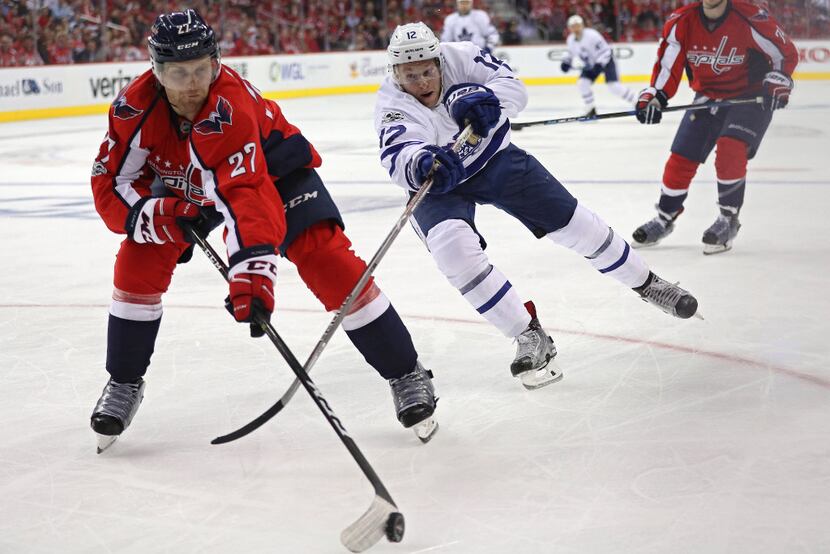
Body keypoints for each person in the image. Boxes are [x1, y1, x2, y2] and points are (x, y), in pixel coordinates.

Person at [89, 9, 438, 450]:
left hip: (273, 173)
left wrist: (252, 279)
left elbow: (248, 197)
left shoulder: (228, 107)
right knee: (137, 262)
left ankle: (406, 371)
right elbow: (111, 183)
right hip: (189, 181)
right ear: (156, 71)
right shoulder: (132, 107)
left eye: (202, 69)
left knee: (328, 262)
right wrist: (161, 214)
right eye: (178, 73)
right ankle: (123, 381)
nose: (193, 84)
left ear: (216, 62)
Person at [374, 22, 700, 396]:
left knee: (577, 226)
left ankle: (648, 283)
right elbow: (398, 153)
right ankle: (527, 334)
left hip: (496, 160)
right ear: (395, 72)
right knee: (453, 252)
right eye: (410, 75)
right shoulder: (392, 103)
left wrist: (487, 102)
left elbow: (514, 88)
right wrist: (419, 164)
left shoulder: (461, 56)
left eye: (428, 71)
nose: (421, 82)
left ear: (439, 62)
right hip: (441, 186)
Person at [631, 0, 798, 254]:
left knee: (730, 148)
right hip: (707, 97)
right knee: (680, 157)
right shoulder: (681, 22)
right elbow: (668, 66)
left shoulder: (750, 17)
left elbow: (783, 53)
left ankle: (728, 219)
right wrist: (655, 96)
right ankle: (665, 217)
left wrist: (778, 80)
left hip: (749, 97)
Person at [559, 15, 637, 117]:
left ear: (582, 25)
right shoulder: (570, 40)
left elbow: (606, 51)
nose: (576, 28)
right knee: (582, 83)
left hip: (606, 61)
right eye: (573, 26)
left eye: (578, 26)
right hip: (591, 65)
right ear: (569, 28)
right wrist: (566, 62)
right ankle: (590, 108)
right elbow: (570, 53)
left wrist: (600, 64)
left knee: (613, 86)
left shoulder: (592, 35)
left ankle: (637, 101)